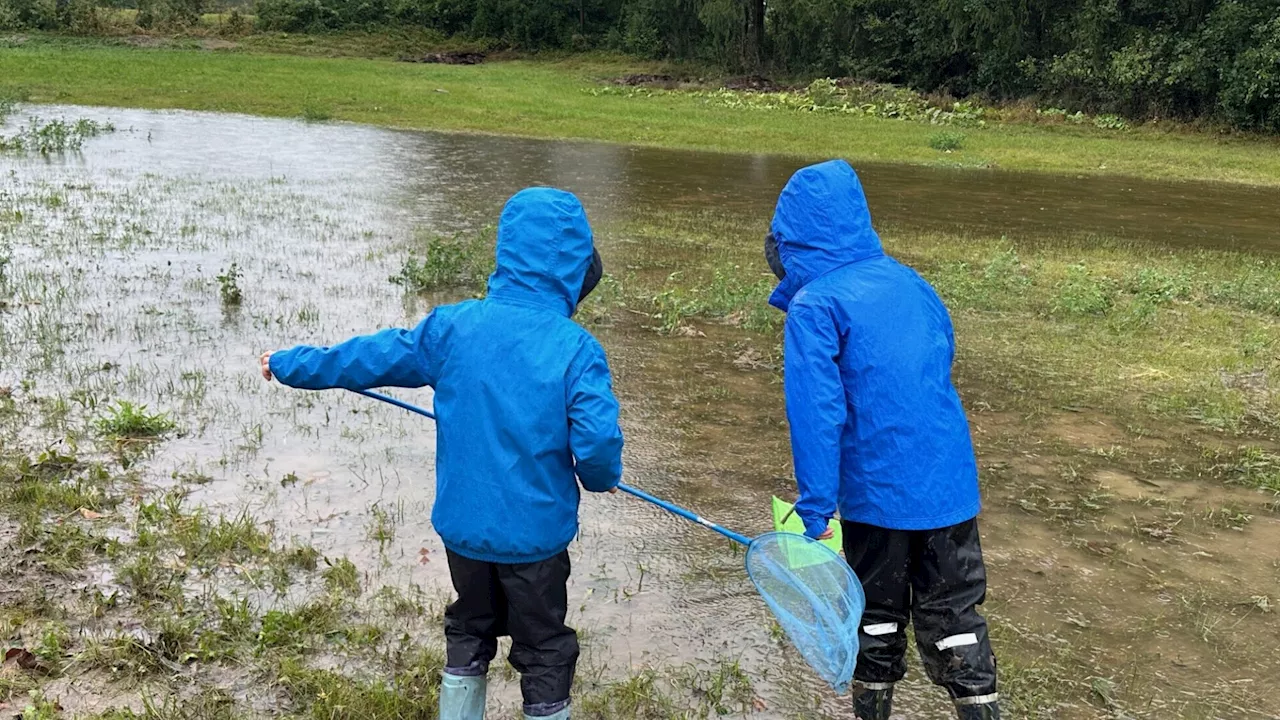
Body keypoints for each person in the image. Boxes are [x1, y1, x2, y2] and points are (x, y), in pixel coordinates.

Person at [259, 187, 624, 720]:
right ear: (575, 267)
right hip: (536, 542)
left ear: (507, 253)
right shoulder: (577, 349)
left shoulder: (451, 328)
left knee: (469, 628)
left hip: (465, 533)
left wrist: (291, 363)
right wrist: (601, 475)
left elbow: (369, 357)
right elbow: (595, 449)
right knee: (544, 646)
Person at [764, 160, 1000, 720]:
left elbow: (819, 414)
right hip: (950, 490)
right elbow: (939, 360)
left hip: (878, 499)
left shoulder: (815, 304)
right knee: (956, 620)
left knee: (875, 617)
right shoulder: (912, 282)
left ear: (792, 240)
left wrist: (817, 506)